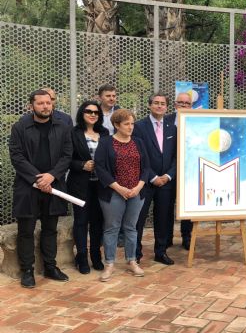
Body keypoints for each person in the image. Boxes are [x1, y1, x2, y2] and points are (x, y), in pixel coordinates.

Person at [9, 89, 73, 288]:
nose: (45, 106)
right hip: (27, 186)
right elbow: (16, 156)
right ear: (31, 106)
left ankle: (50, 267)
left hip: (53, 185)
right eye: (40, 103)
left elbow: (67, 155)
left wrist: (51, 176)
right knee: (26, 230)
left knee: (50, 229)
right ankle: (27, 271)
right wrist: (38, 179)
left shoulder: (62, 127)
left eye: (48, 103)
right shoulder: (20, 127)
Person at [95, 109, 150, 281]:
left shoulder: (139, 142)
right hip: (113, 192)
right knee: (112, 228)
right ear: (116, 125)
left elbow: (146, 167)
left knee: (131, 227)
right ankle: (109, 263)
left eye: (132, 123)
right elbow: (100, 168)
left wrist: (139, 187)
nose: (131, 127)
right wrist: (119, 188)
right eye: (127, 124)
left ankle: (132, 261)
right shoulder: (106, 142)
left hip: (136, 192)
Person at [133, 94, 177, 266]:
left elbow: (176, 155)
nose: (159, 106)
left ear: (167, 107)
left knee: (163, 218)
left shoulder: (172, 128)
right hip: (145, 181)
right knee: (139, 218)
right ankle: (135, 253)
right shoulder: (139, 127)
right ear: (149, 105)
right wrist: (152, 176)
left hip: (166, 182)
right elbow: (137, 155)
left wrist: (168, 175)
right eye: (156, 103)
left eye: (163, 104)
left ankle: (161, 251)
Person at [67, 100, 109, 274]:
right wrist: (81, 165)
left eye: (96, 112)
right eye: (89, 111)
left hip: (101, 185)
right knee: (81, 222)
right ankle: (82, 258)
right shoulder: (73, 133)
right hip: (80, 185)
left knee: (98, 222)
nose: (93, 115)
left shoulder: (104, 133)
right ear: (82, 114)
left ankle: (96, 256)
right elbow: (66, 158)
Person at [167, 91, 193, 249]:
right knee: (167, 204)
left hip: (189, 170)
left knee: (187, 205)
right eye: (180, 102)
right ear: (175, 104)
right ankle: (167, 237)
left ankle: (187, 237)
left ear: (191, 105)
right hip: (168, 169)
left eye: (187, 103)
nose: (183, 105)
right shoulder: (166, 120)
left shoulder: (196, 121)